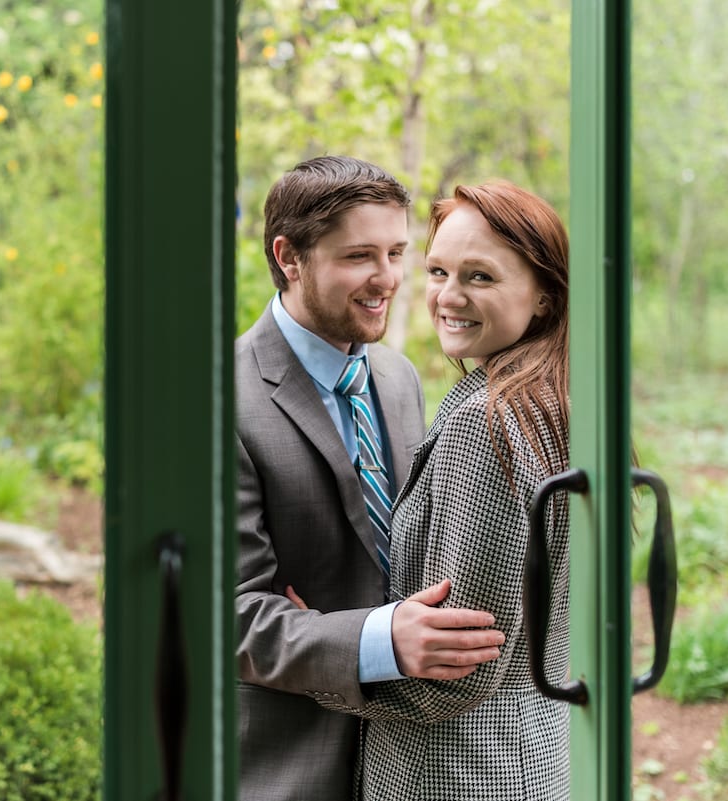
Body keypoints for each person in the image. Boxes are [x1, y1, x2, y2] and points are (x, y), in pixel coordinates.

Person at [235, 156, 507, 801]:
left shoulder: (396, 375)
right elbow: (228, 615)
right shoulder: (220, 398)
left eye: (396, 253)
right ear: (290, 257)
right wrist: (376, 638)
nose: (386, 279)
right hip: (290, 760)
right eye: (360, 256)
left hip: (412, 753)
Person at [317, 180, 573, 800]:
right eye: (437, 270)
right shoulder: (558, 399)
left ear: (543, 297)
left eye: (480, 276)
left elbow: (458, 667)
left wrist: (323, 659)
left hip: (457, 774)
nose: (448, 297)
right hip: (536, 752)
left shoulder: (486, 423)